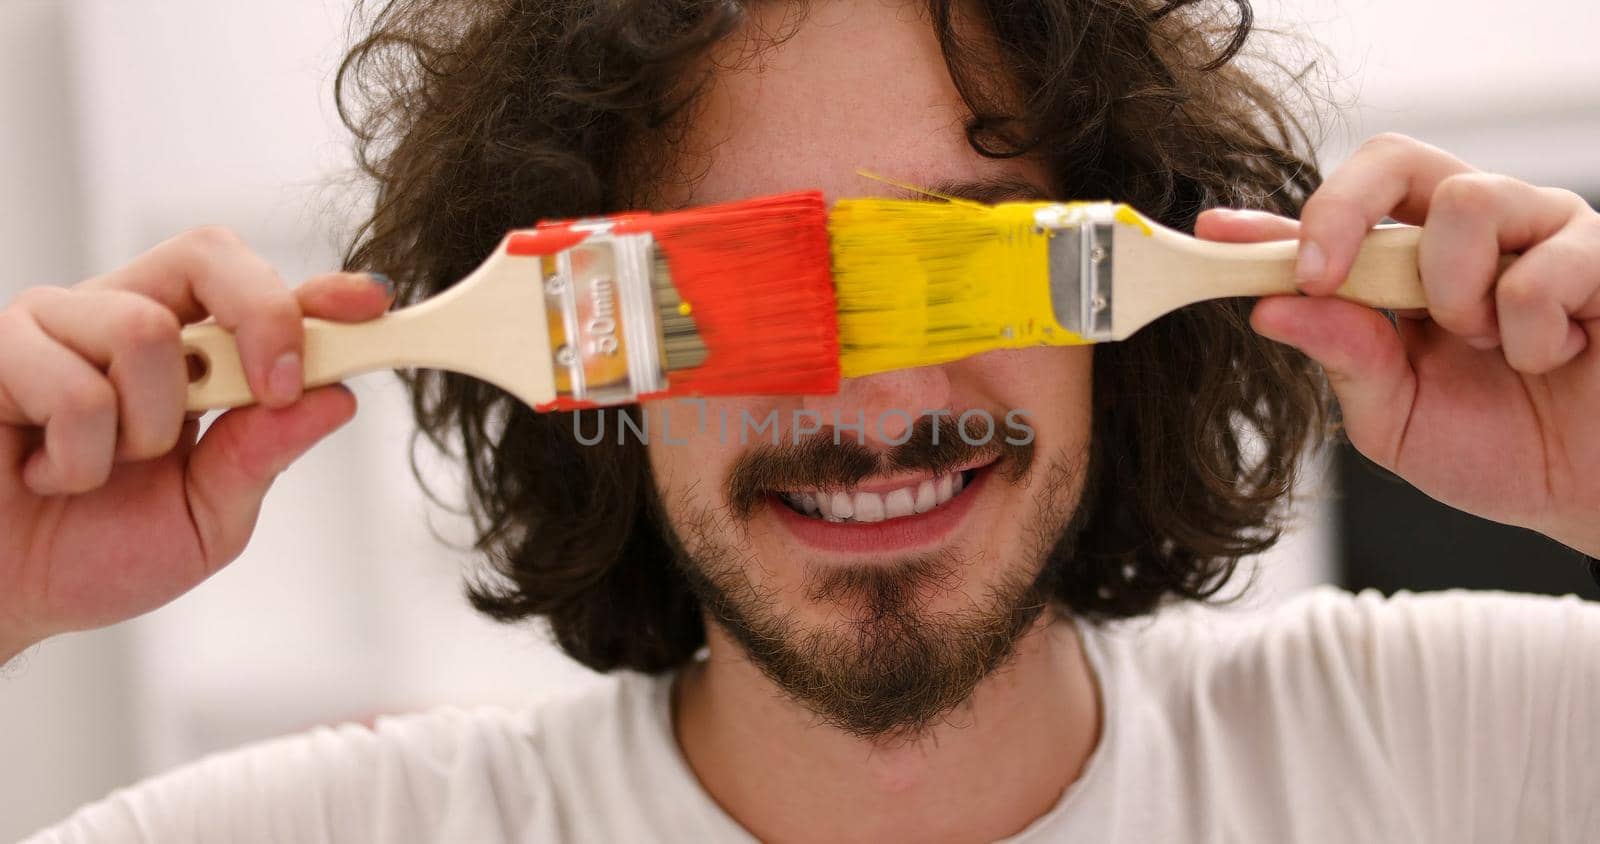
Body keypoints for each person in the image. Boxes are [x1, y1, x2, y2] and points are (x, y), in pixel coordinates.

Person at [7, 0, 1599, 840]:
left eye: (963, 261)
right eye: (716, 289)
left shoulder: (1476, 757)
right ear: (595, 384)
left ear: (1114, 327)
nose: (870, 400)